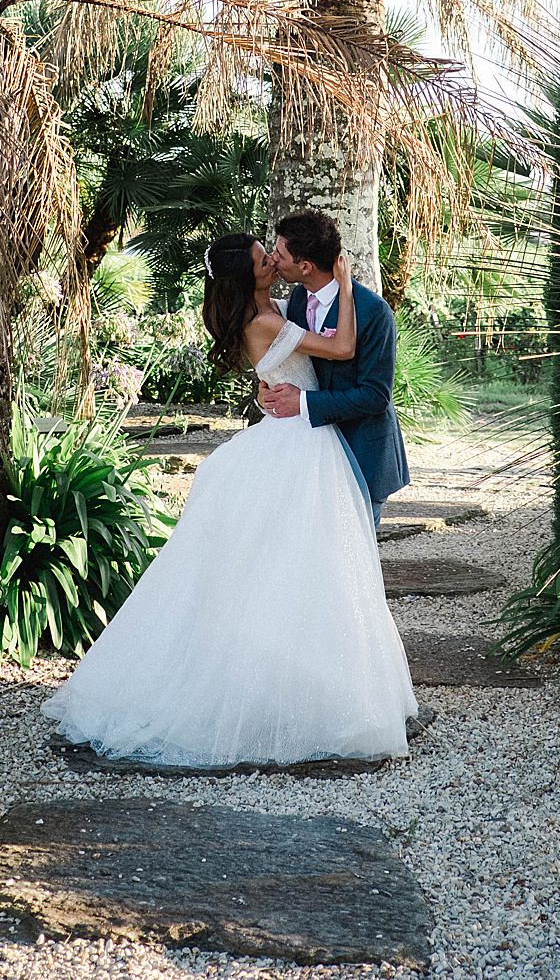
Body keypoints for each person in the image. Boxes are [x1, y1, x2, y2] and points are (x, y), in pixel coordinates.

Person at [41, 231, 416, 768]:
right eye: (267, 259)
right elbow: (342, 349)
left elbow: (294, 370)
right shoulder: (267, 320)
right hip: (298, 448)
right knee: (303, 573)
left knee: (297, 574)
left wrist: (275, 386)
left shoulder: (276, 311)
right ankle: (290, 700)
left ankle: (303, 685)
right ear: (252, 275)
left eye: (276, 253)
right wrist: (349, 288)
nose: (274, 261)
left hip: (296, 440)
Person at [262, 208, 410, 529]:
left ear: (305, 266)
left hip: (361, 454)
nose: (273, 259)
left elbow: (375, 396)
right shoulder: (299, 298)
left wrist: (301, 403)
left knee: (355, 565)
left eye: (279, 253)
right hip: (314, 455)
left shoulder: (374, 312)